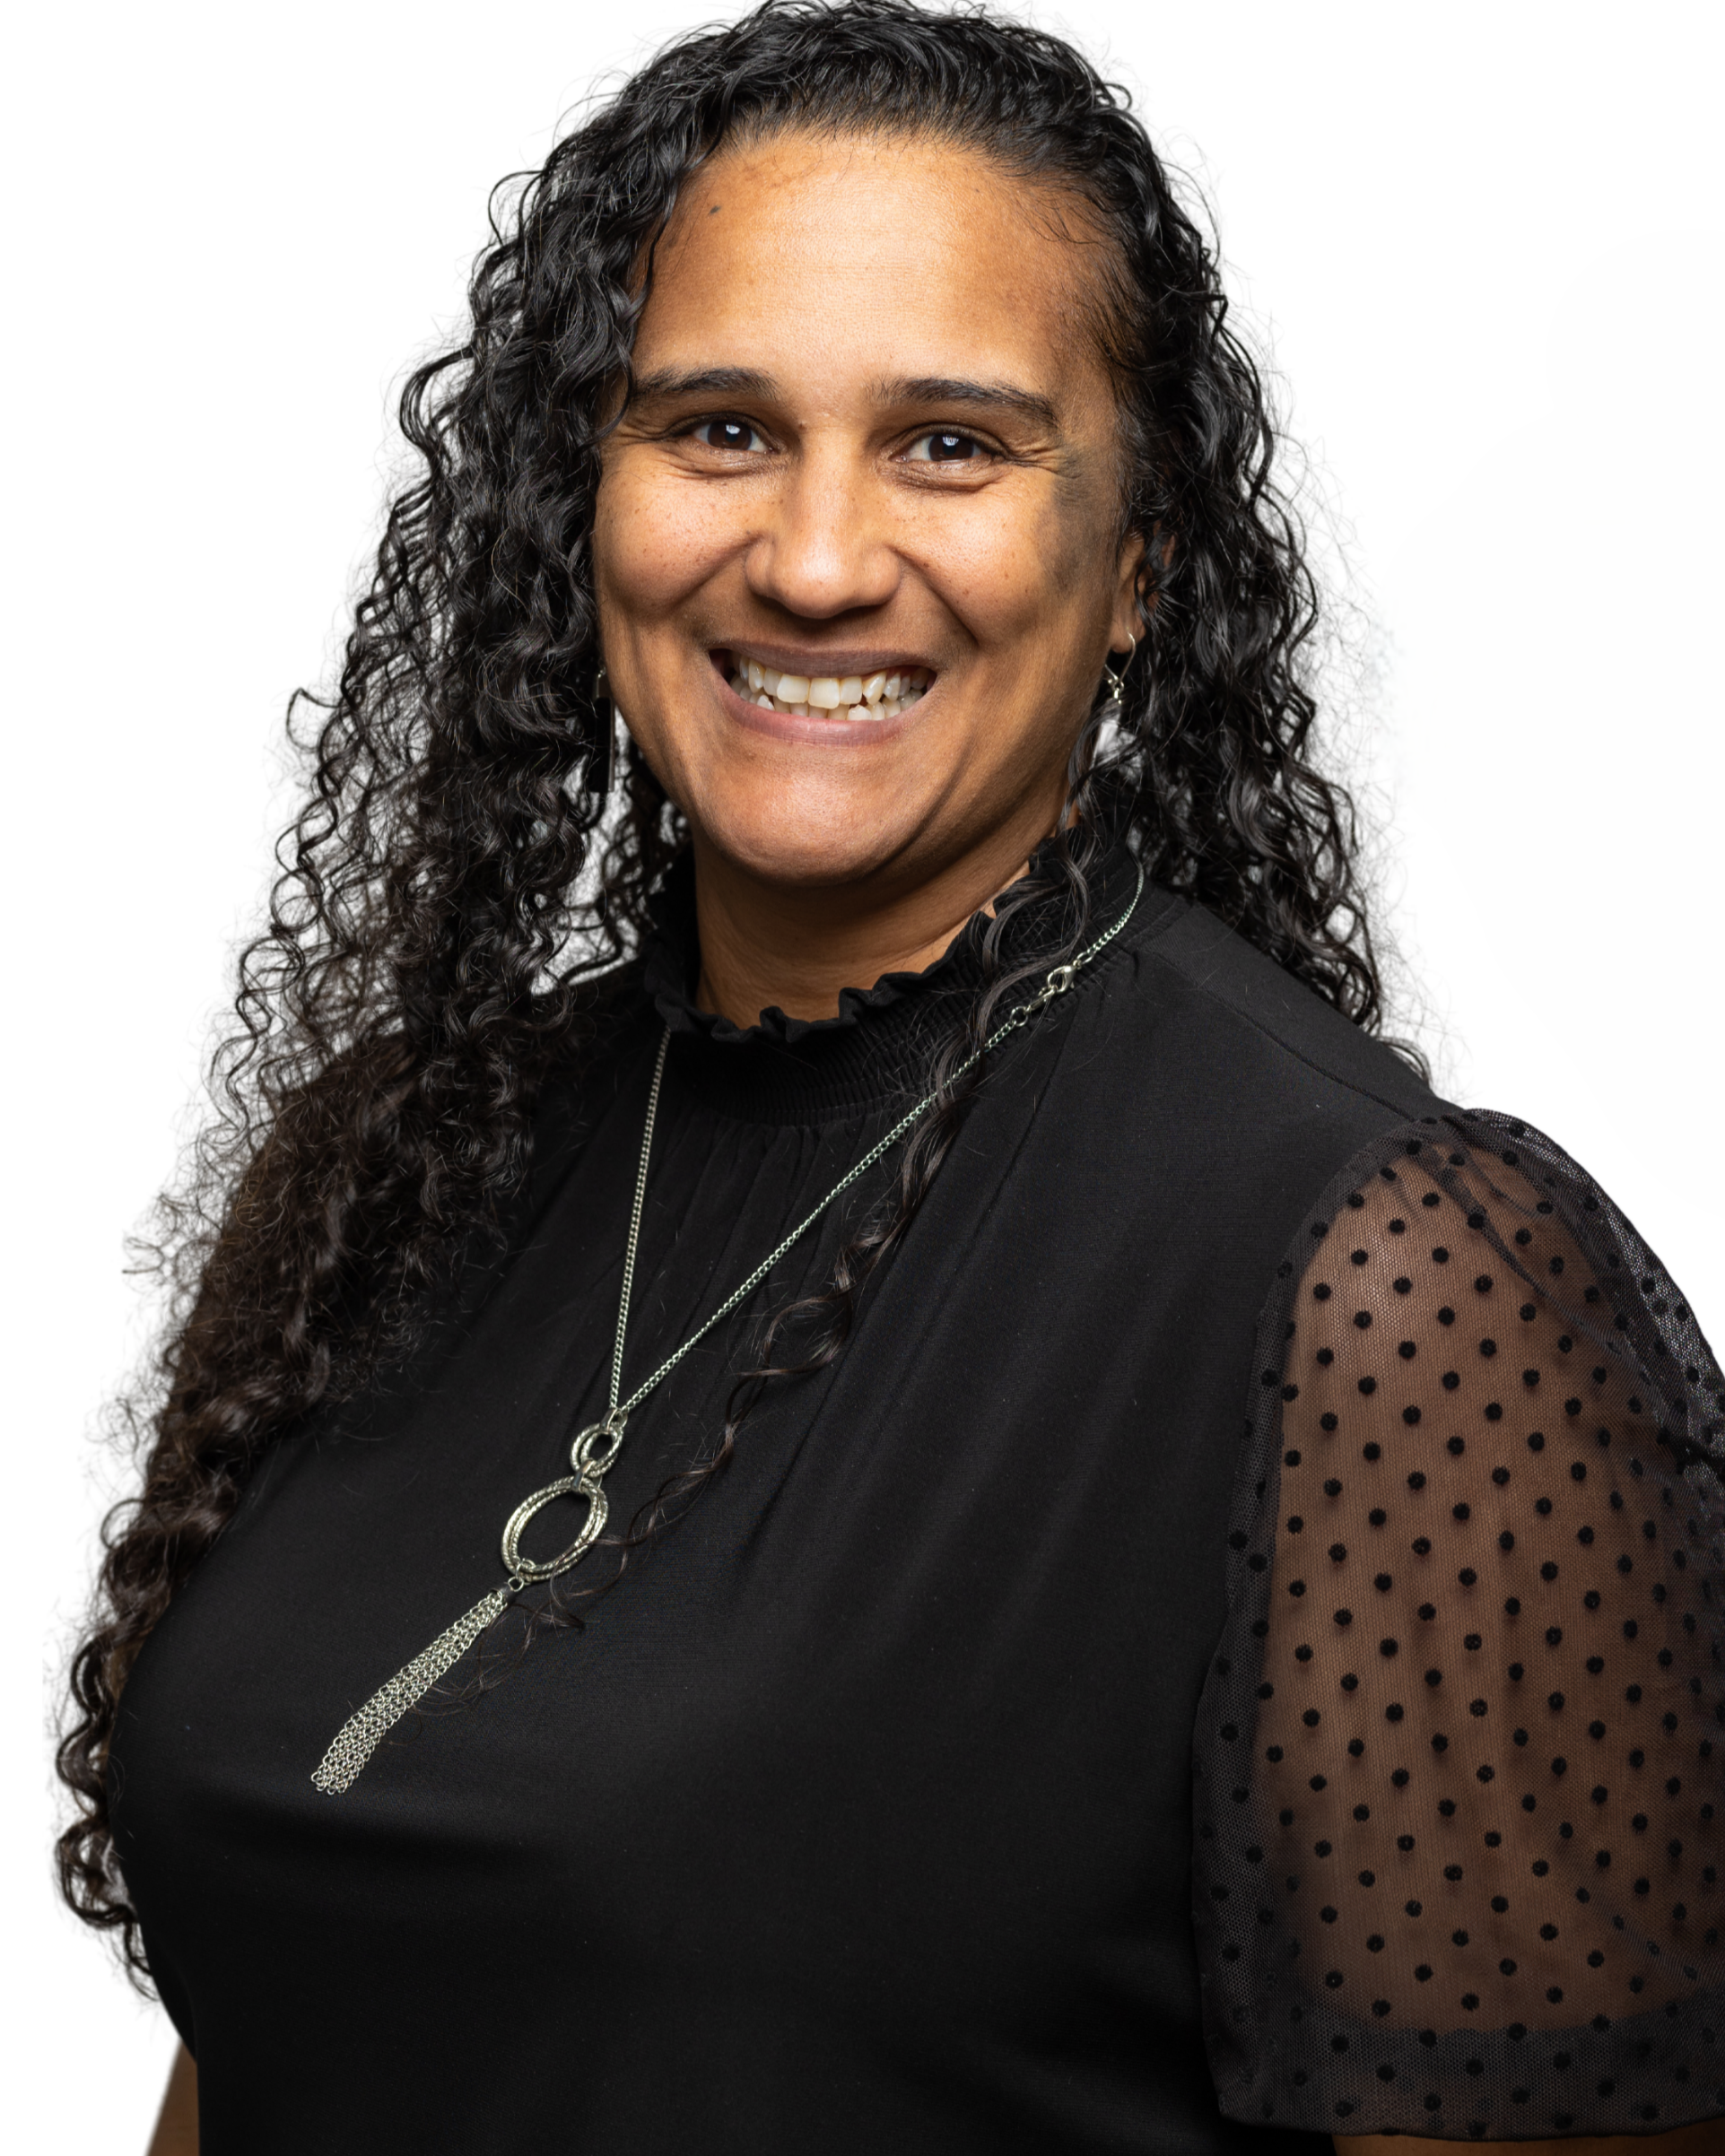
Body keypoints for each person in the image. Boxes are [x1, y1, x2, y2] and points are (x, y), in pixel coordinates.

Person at [57, 4, 1725, 2152]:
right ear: (586, 502)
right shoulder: (399, 1162)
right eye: (718, 427)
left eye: (951, 443)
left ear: (1137, 563)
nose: (819, 556)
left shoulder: (1397, 1293)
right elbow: (290, 2020)